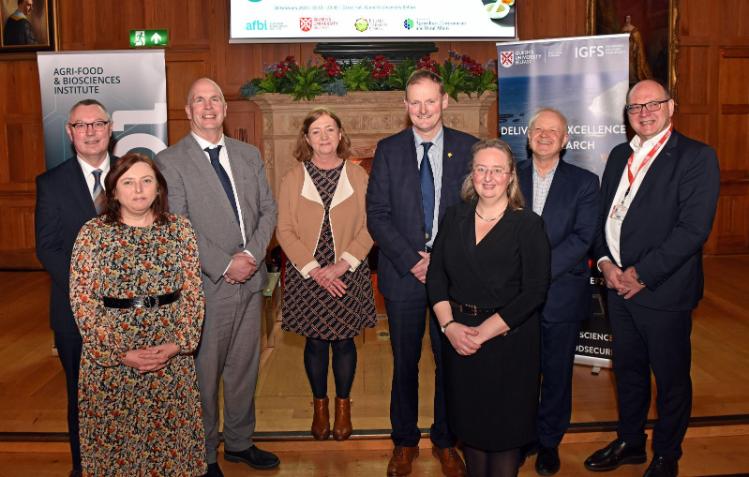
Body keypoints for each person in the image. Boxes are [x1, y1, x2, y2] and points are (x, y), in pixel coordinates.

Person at [584, 80, 720, 477]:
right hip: (617, 288)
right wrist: (605, 263)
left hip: (663, 291)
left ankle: (667, 454)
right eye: (635, 107)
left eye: (653, 104)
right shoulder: (618, 155)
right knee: (628, 372)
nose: (644, 113)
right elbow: (602, 218)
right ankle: (630, 442)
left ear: (671, 107)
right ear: (626, 114)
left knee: (671, 379)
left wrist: (641, 274)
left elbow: (693, 230)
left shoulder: (696, 157)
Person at [155, 77, 278, 477]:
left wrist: (251, 256)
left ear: (225, 109)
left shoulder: (248, 154)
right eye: (199, 101)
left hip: (252, 281)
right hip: (209, 286)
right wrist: (226, 264)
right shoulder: (170, 161)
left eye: (214, 100)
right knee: (204, 377)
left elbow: (268, 210)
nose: (208, 107)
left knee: (244, 370)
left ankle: (240, 443)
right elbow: (179, 224)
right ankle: (205, 454)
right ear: (188, 111)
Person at [366, 69, 478, 477]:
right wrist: (412, 260)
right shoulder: (388, 150)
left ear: (444, 101)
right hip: (403, 275)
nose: (424, 109)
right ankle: (404, 441)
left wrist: (441, 260)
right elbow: (377, 215)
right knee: (404, 363)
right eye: (415, 102)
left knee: (450, 363)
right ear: (405, 105)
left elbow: (476, 212)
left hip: (452, 276)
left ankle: (446, 441)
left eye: (431, 100)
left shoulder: (468, 148)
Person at [69, 153, 206, 475]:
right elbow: (82, 301)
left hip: (169, 356)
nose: (139, 189)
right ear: (114, 191)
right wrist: (119, 352)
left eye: (147, 181)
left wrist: (177, 344)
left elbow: (194, 293)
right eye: (128, 182)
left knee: (171, 448)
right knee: (116, 449)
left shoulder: (180, 229)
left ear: (159, 188)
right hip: (112, 359)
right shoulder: (93, 233)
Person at [427, 139, 551, 477]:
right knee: (471, 430)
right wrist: (449, 327)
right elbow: (436, 276)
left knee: (504, 435)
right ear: (472, 174)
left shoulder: (528, 224)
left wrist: (483, 333)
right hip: (459, 340)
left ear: (510, 177)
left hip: (509, 343)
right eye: (481, 169)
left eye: (497, 170)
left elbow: (535, 291)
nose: (488, 177)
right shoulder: (454, 216)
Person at [276, 108, 377, 441]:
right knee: (316, 343)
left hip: (348, 272)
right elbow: (284, 229)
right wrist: (315, 270)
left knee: (345, 342)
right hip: (308, 273)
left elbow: (371, 225)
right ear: (307, 138)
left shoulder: (359, 176)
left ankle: (343, 410)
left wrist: (343, 264)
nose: (324, 137)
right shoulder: (293, 178)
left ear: (340, 135)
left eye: (330, 129)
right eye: (316, 131)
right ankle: (320, 409)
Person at [516, 108, 600, 476]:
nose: (545, 135)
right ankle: (521, 435)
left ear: (565, 140)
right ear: (528, 135)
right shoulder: (509, 176)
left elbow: (583, 238)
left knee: (556, 372)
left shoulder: (585, 182)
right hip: (513, 295)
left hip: (561, 292)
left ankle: (549, 441)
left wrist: (537, 273)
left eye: (554, 131)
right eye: (539, 129)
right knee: (519, 372)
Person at [34, 98, 116, 477]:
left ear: (110, 128)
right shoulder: (50, 183)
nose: (90, 131)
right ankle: (85, 467)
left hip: (132, 313)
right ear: (69, 133)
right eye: (81, 125)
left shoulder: (135, 175)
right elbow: (47, 248)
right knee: (82, 397)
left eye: (97, 123)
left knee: (128, 396)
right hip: (74, 314)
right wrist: (90, 292)